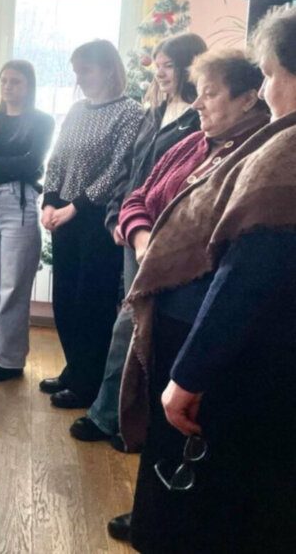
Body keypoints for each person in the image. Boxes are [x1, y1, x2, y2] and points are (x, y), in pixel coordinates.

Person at [111, 37, 291, 551]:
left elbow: (244, 268)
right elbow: (139, 196)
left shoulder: (270, 150)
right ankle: (151, 515)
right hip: (171, 305)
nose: (198, 104)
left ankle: (163, 523)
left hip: (200, 319)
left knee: (189, 435)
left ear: (248, 98)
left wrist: (191, 371)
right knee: (162, 429)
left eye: (210, 94)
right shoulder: (195, 144)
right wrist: (143, 238)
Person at [70, 34, 207, 444]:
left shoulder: (198, 120)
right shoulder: (155, 113)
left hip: (163, 235)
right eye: (157, 66)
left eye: (168, 66)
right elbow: (131, 173)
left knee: (134, 323)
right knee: (131, 323)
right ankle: (121, 417)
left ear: (189, 67)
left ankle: (113, 416)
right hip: (133, 228)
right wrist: (117, 216)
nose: (159, 74)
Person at [39, 40, 144, 409]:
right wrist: (49, 202)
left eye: (86, 70)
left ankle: (89, 383)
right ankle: (75, 369)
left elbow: (119, 169)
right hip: (65, 216)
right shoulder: (76, 110)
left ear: (108, 69)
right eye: (76, 71)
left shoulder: (130, 112)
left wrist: (76, 207)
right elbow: (57, 159)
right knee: (65, 300)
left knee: (91, 304)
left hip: (97, 221)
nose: (79, 78)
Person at [0, 60, 54, 381]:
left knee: (14, 284)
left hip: (19, 201)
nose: (7, 86)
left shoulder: (42, 121)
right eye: (4, 80)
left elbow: (32, 164)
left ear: (28, 85)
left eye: (15, 81)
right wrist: (7, 163)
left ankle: (10, 359)